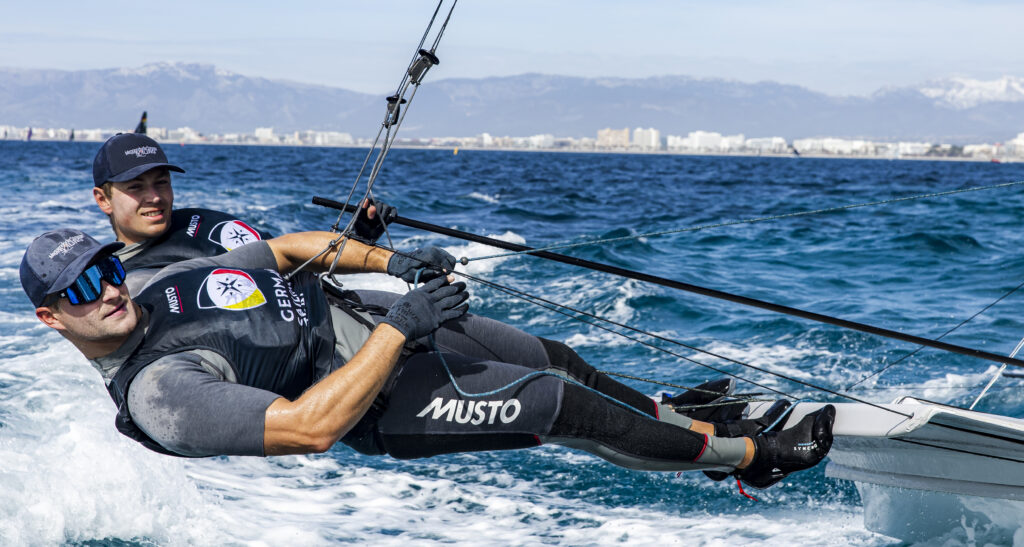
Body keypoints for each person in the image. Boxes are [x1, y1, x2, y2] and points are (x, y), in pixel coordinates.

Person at [21, 227, 836, 489]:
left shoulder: (165, 282)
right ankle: (749, 456)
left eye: (108, 267)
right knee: (560, 403)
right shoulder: (162, 394)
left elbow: (284, 250)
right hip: (383, 396)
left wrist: (389, 265)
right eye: (82, 287)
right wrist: (398, 329)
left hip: (380, 318)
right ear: (52, 316)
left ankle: (690, 420)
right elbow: (309, 427)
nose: (108, 288)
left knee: (559, 355)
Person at [90, 133, 274, 294]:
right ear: (103, 200)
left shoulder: (202, 223)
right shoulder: (112, 285)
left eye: (161, 182)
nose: (154, 197)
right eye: (136, 187)